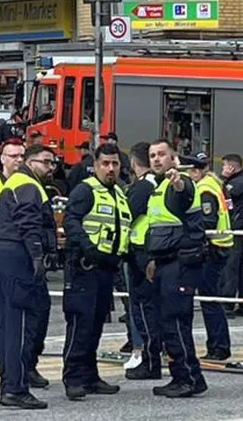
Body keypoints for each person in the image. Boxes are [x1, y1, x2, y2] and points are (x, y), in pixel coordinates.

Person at [0, 144, 58, 409]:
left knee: (7, 324)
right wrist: (37, 254)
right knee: (18, 324)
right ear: (31, 162)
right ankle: (15, 389)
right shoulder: (28, 184)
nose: (50, 168)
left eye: (52, 163)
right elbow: (28, 222)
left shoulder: (16, 183)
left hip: (3, 252)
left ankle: (10, 383)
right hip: (16, 254)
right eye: (46, 162)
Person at [60, 143, 128, 401]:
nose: (110, 169)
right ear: (96, 165)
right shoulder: (85, 190)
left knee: (96, 324)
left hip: (106, 268)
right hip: (83, 268)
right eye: (105, 164)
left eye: (115, 164)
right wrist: (88, 248)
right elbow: (71, 221)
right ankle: (73, 378)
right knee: (81, 324)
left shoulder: (119, 193)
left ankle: (90, 376)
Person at [144, 139, 208, 398]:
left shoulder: (180, 183)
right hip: (166, 261)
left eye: (162, 154)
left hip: (180, 263)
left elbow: (183, 193)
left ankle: (186, 378)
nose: (156, 159)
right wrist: (153, 260)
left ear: (174, 158)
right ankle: (188, 376)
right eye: (152, 156)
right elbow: (157, 229)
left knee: (176, 321)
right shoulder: (158, 188)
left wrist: (178, 181)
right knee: (169, 321)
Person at [186, 152, 233, 361]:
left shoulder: (204, 190)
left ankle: (218, 346)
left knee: (209, 299)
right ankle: (217, 345)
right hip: (218, 247)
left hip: (212, 248)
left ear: (195, 172)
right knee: (210, 298)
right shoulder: (212, 184)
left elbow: (208, 221)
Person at [125, 141, 161, 380]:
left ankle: (149, 361)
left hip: (141, 253)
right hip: (151, 252)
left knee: (143, 309)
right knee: (150, 309)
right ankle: (151, 359)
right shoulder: (157, 183)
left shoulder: (142, 187)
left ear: (133, 162)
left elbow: (127, 215)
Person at [220, 153, 243, 317]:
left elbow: (222, 195)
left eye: (224, 165)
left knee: (230, 267)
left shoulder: (238, 183)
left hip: (235, 228)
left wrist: (222, 179)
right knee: (239, 268)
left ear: (231, 167)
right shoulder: (241, 181)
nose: (222, 169)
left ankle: (227, 304)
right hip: (237, 227)